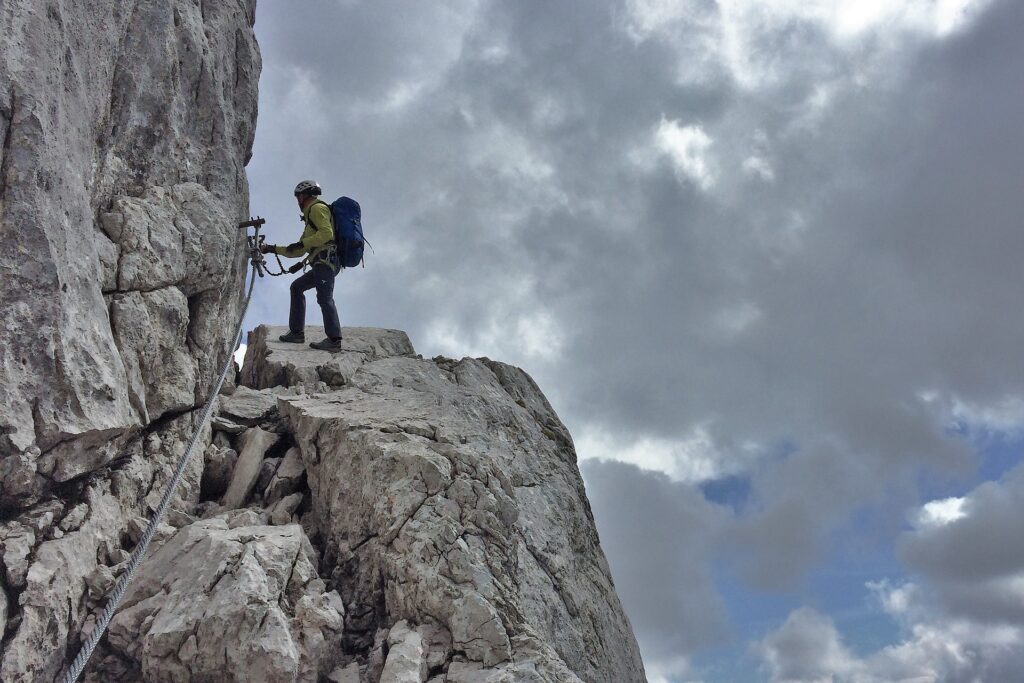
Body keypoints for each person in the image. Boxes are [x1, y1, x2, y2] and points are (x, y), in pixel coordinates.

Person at [260, 180, 343, 352]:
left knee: (324, 298)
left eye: (298, 196)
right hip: (321, 262)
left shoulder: (317, 209)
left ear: (303, 195)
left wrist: (303, 243)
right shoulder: (310, 218)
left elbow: (327, 233)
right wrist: (272, 249)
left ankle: (334, 340)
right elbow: (298, 251)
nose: (297, 201)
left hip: (325, 261)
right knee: (296, 287)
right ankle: (297, 333)